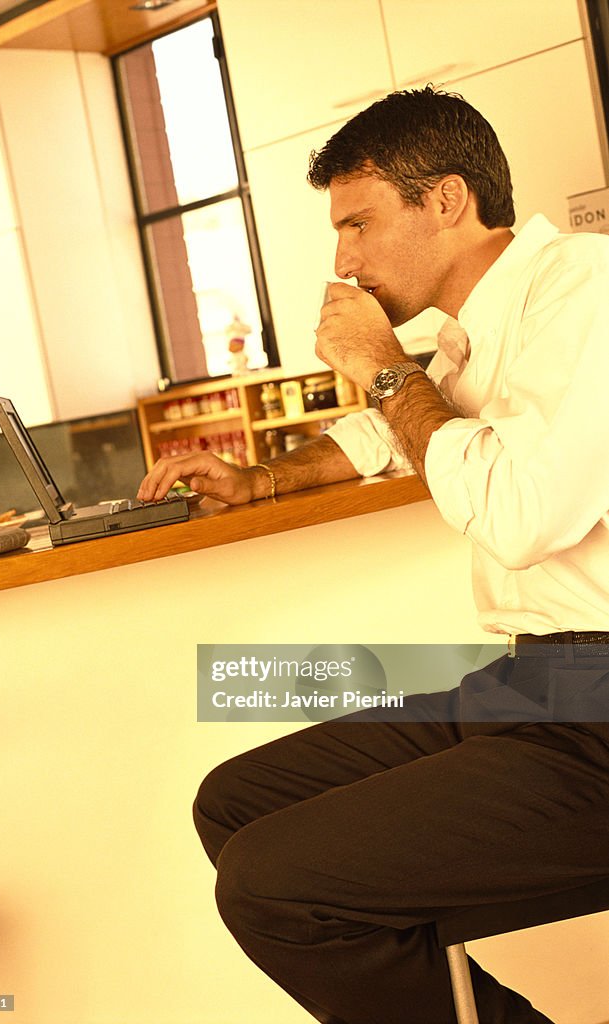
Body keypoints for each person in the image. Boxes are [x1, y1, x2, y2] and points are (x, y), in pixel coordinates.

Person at [139, 87, 609, 1023]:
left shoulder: (585, 288)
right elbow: (386, 435)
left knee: (275, 885)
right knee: (236, 804)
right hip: (536, 685)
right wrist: (262, 480)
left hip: (598, 706)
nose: (342, 260)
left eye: (358, 224)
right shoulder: (470, 327)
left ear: (444, 200)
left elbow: (520, 513)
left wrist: (385, 368)